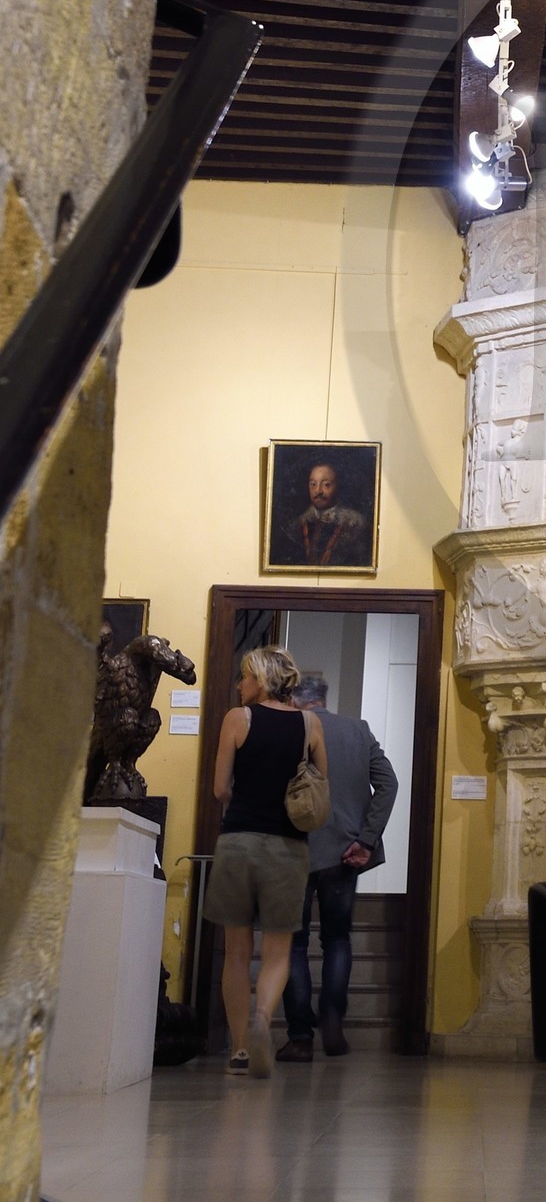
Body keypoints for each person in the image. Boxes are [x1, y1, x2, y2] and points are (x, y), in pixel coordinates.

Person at [208, 646, 328, 1076]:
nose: (239, 685)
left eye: (244, 677)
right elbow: (319, 786)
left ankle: (239, 1047)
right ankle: (263, 1019)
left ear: (259, 680)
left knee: (237, 952)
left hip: (238, 841)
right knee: (278, 950)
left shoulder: (237, 719)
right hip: (288, 847)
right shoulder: (310, 724)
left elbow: (221, 787)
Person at [277, 670, 399, 1061]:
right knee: (338, 939)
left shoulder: (287, 729)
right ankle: (332, 1018)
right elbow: (389, 783)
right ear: (324, 697)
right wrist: (366, 838)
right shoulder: (357, 731)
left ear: (294, 697)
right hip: (345, 851)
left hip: (293, 848)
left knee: (293, 943)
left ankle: (299, 1036)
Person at [287, 460, 370, 567]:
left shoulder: (356, 523)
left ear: (337, 486)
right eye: (313, 484)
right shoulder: (298, 524)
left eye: (326, 484)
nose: (318, 491)